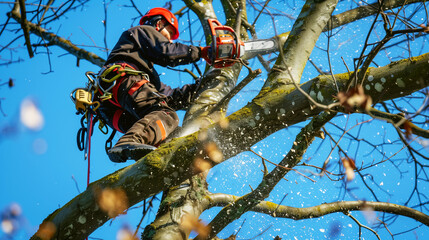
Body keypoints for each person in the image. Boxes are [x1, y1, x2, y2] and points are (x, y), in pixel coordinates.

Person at [96, 7, 211, 163]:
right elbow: (167, 51)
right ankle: (130, 142)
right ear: (158, 24)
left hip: (113, 106)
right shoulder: (141, 31)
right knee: (167, 115)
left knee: (168, 133)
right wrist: (202, 52)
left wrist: (200, 87)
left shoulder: (145, 70)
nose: (170, 40)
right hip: (123, 80)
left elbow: (168, 96)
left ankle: (167, 165)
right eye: (169, 33)